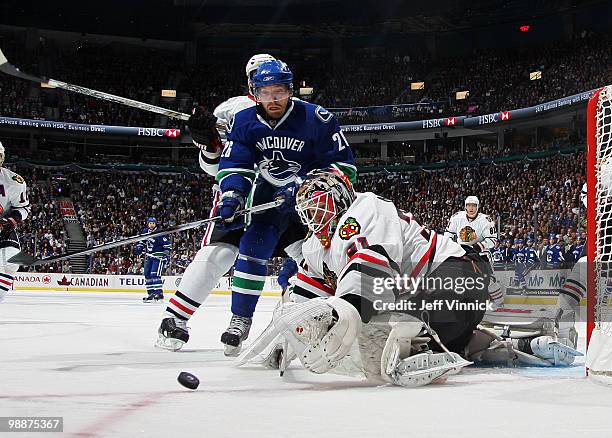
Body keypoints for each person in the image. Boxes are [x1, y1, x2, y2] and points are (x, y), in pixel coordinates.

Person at [213, 60, 356, 355]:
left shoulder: (317, 118)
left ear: (290, 90)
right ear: (254, 92)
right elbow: (236, 163)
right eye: (265, 93)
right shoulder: (243, 122)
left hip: (318, 206)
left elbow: (345, 167)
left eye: (279, 91)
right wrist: (232, 195)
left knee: (322, 261)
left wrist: (306, 184)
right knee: (252, 247)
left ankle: (342, 314)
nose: (273, 99)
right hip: (270, 198)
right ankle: (240, 319)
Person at [157, 54, 299, 350]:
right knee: (220, 253)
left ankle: (309, 319)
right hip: (242, 195)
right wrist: (209, 144)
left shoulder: (295, 112)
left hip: (286, 196)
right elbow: (214, 166)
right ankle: (174, 319)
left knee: (306, 254)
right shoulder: (231, 110)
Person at [444, 196, 504, 306]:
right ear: (465, 207)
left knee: (489, 278)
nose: (471, 208)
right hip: (460, 250)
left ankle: (499, 302)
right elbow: (448, 234)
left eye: (474, 206)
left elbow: (492, 239)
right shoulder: (456, 217)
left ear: (478, 207)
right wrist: (451, 246)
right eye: (469, 205)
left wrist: (479, 246)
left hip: (480, 251)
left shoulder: (486, 220)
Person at [0, 141, 31, 303]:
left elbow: (24, 208)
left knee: (11, 263)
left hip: (2, 228)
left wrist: (12, 219)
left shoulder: (13, 181)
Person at [135, 217, 172, 302]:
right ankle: (151, 293)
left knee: (154, 275)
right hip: (149, 256)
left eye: (153, 223)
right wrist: (139, 246)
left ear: (155, 224)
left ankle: (159, 294)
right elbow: (142, 241)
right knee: (147, 275)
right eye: (150, 223)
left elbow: (167, 244)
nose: (151, 225)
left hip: (158, 257)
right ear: (147, 224)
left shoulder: (159, 233)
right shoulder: (145, 232)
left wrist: (166, 253)